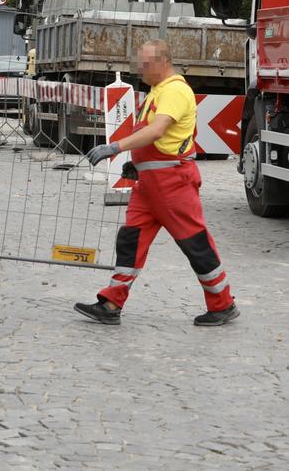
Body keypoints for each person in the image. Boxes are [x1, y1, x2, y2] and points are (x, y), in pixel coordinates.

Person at [75, 39, 238, 327]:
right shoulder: (157, 91)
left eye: (146, 64)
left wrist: (115, 147)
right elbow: (158, 138)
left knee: (194, 243)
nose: (140, 70)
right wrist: (136, 164)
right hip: (150, 185)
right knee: (130, 241)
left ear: (163, 62)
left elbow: (158, 129)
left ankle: (222, 304)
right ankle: (111, 303)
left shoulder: (175, 90)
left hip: (172, 184)